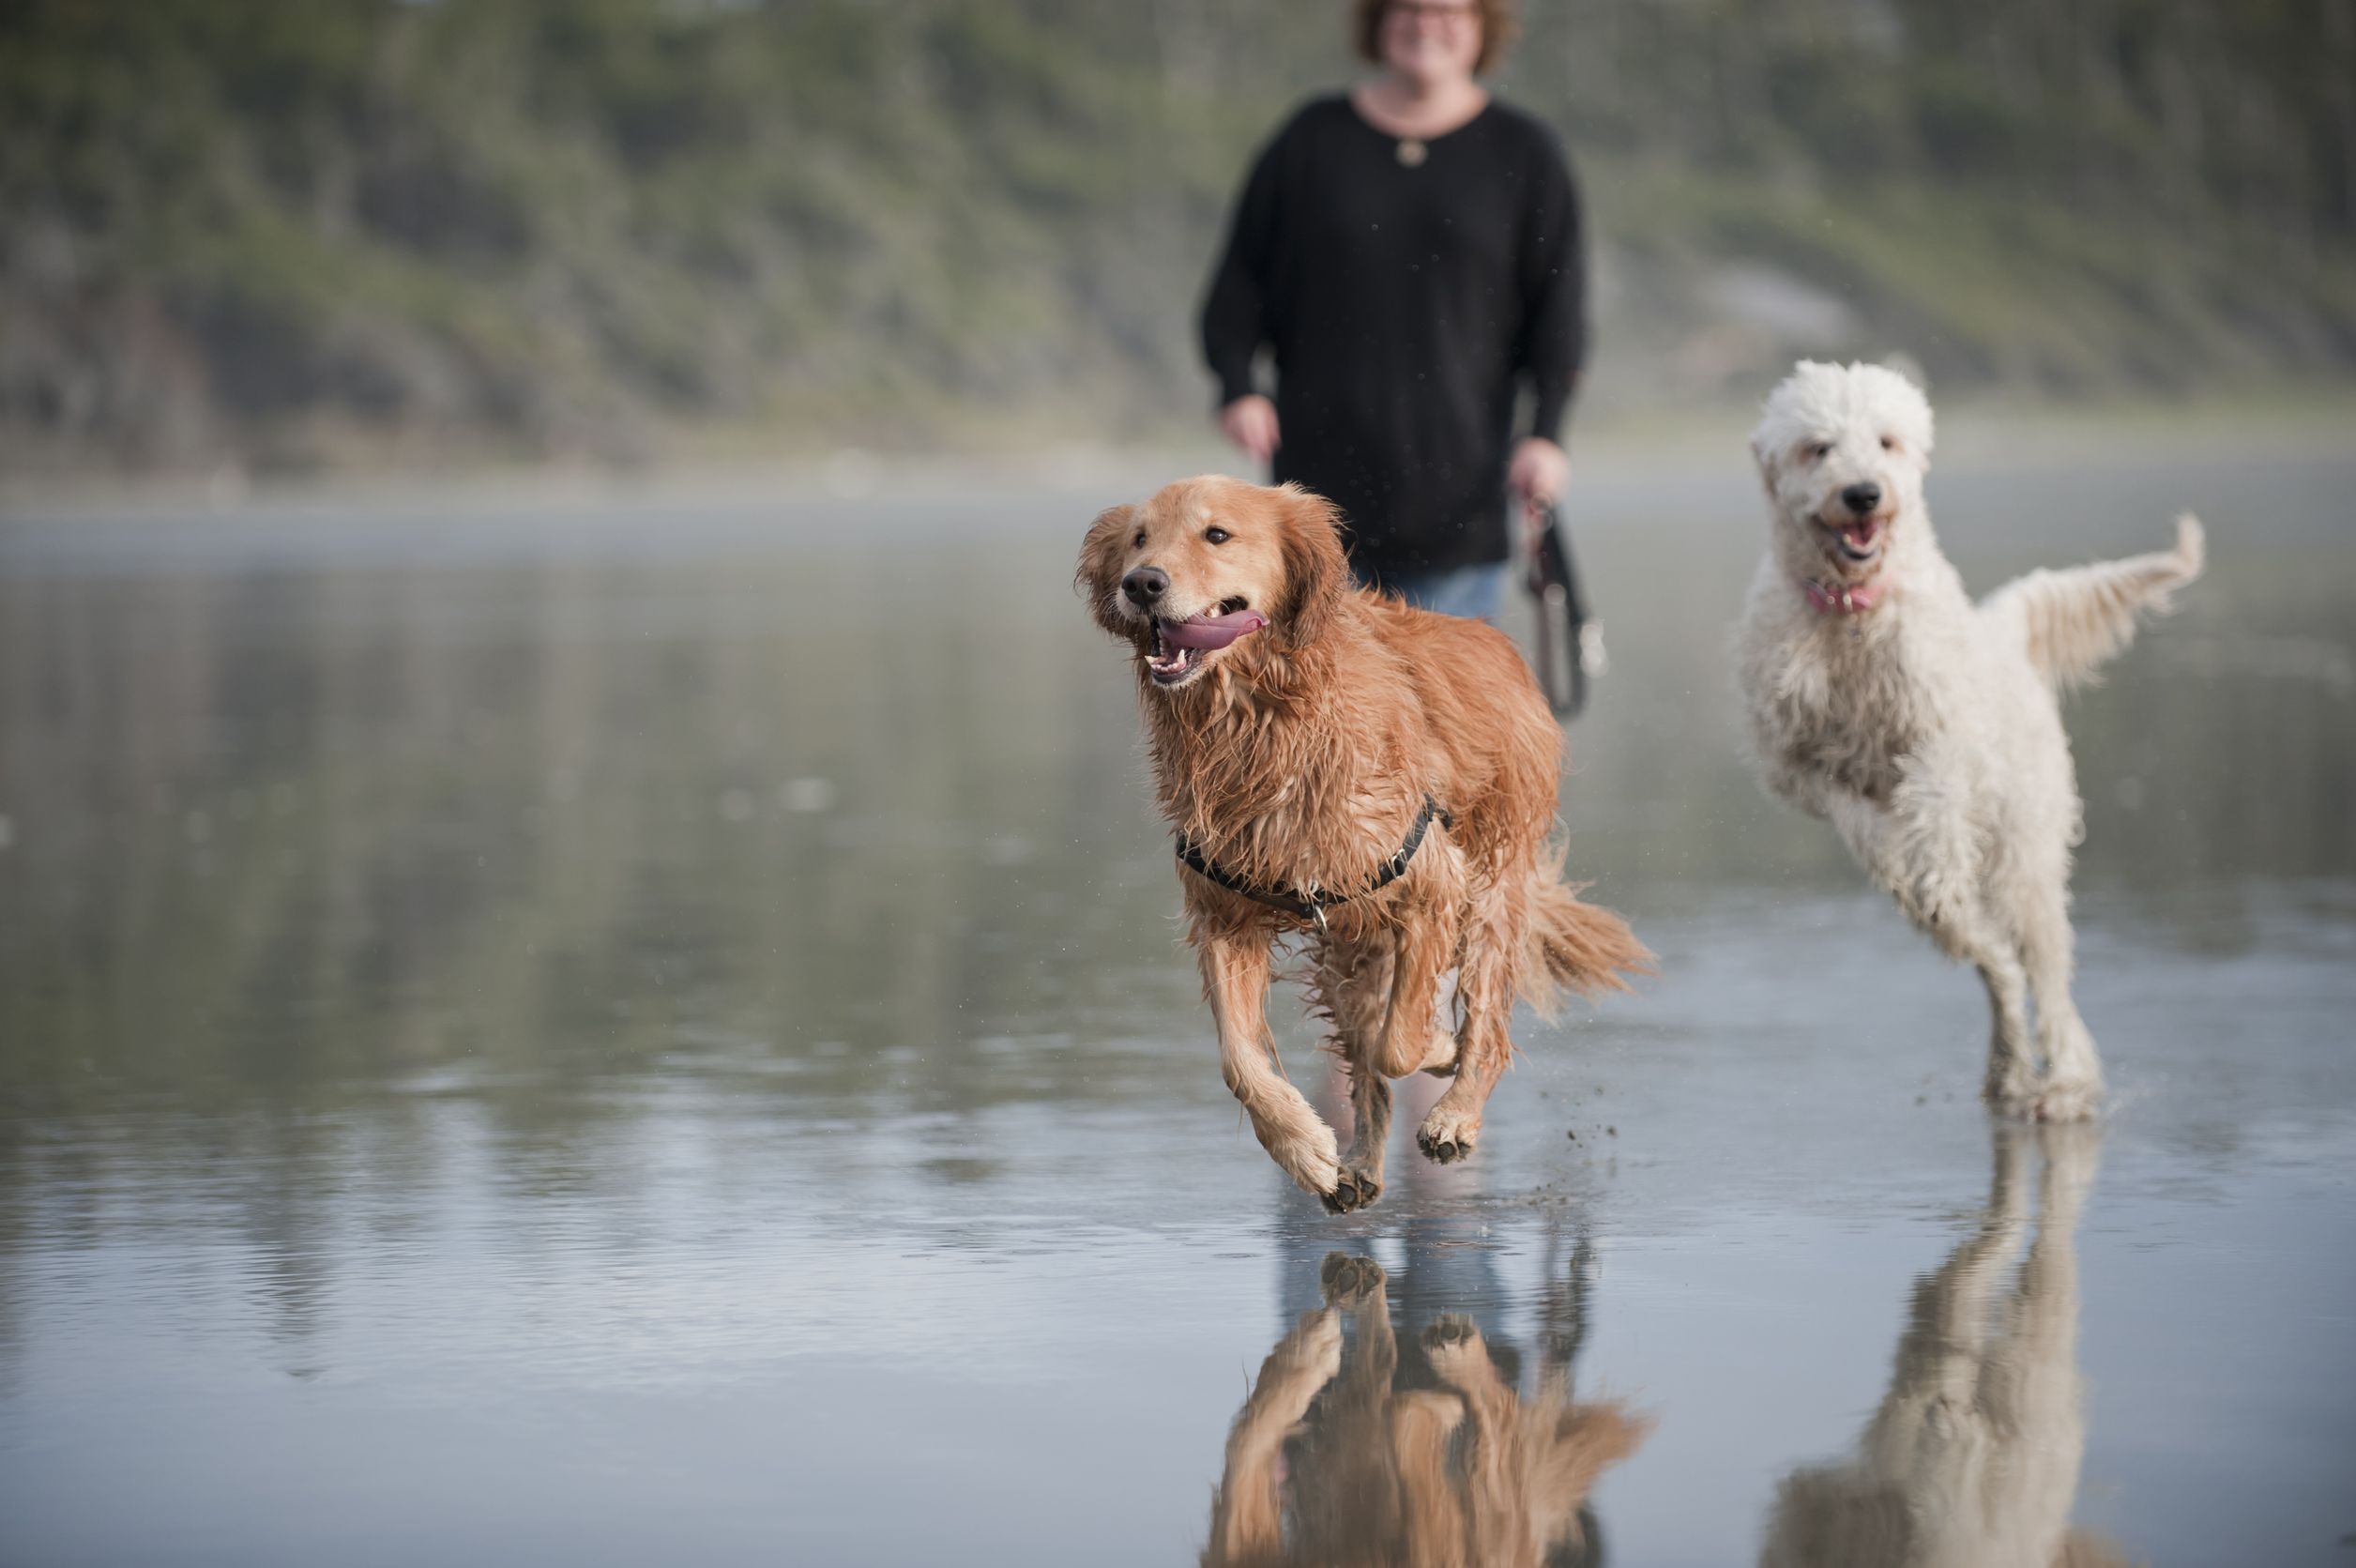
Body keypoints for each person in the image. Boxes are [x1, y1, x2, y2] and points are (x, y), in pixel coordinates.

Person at [1199, 0, 1585, 622]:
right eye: (1406, 6)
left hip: (1461, 499)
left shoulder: (1525, 151)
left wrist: (1547, 434)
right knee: (1318, 711)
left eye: (1448, 9)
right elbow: (1237, 285)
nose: (1425, 22)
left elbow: (1559, 315)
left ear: (1482, 24)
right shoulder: (1310, 139)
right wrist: (1237, 388)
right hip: (1313, 506)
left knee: (1435, 714)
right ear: (1375, 20)